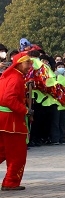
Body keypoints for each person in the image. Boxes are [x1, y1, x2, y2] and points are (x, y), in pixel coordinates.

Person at [0, 52, 33, 190]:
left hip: (4, 120)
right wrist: (25, 110)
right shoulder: (16, 78)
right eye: (27, 63)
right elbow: (8, 99)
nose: (30, 66)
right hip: (12, 121)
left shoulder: (10, 76)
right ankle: (11, 182)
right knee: (17, 154)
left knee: (2, 151)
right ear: (19, 63)